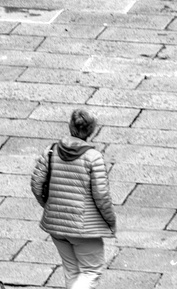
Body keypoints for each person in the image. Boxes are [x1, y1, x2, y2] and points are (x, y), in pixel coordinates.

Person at [31, 108, 116, 289]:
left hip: (55, 223)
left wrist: (47, 205)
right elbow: (101, 196)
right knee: (91, 271)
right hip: (83, 226)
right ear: (92, 130)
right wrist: (110, 220)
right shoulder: (93, 157)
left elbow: (36, 184)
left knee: (72, 271)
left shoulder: (51, 151)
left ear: (71, 126)